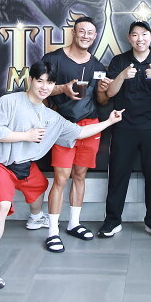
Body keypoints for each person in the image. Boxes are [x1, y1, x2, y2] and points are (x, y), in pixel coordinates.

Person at [0, 60, 123, 290]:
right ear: (30, 80)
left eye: (49, 82)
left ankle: (36, 217)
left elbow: (80, 132)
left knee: (39, 185)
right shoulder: (9, 101)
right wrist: (26, 136)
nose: (44, 87)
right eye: (40, 81)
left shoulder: (50, 116)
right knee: (3, 205)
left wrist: (109, 121)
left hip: (22, 165)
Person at [99, 21, 151, 239]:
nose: (140, 39)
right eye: (135, 35)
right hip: (124, 125)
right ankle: (112, 221)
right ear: (129, 38)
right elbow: (110, 94)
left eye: (144, 34)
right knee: (118, 174)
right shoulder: (119, 61)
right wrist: (122, 76)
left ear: (150, 36)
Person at [41, 16, 109, 252]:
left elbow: (101, 101)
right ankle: (52, 231)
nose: (86, 36)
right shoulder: (53, 59)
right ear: (73, 32)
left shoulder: (97, 66)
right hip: (63, 125)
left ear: (95, 36)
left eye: (90, 32)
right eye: (82, 31)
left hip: (89, 126)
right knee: (61, 178)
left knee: (80, 176)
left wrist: (104, 91)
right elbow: (38, 88)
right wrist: (62, 89)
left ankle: (74, 223)